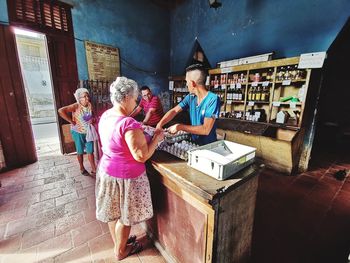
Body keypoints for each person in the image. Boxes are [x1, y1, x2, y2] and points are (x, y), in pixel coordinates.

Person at [95, 77, 164, 260]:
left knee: (114, 213)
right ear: (126, 98)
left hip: (108, 171)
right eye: (135, 99)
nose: (136, 103)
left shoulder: (107, 115)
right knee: (125, 218)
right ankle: (121, 251)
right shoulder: (128, 124)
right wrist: (157, 138)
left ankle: (119, 243)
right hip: (126, 176)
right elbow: (141, 155)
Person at [156, 64, 220, 145]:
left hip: (207, 146)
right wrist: (160, 124)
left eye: (186, 81)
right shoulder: (190, 97)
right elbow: (175, 111)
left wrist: (179, 127)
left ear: (193, 83)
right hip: (193, 143)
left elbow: (205, 129)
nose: (186, 84)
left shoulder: (213, 99)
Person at [58, 88, 97, 175]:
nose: (87, 98)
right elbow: (61, 111)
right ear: (79, 98)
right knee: (80, 151)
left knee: (90, 151)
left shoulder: (90, 105)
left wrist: (92, 120)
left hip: (88, 132)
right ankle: (82, 168)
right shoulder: (76, 106)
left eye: (87, 96)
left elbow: (93, 116)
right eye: (84, 96)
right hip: (78, 132)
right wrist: (71, 121)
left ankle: (94, 169)